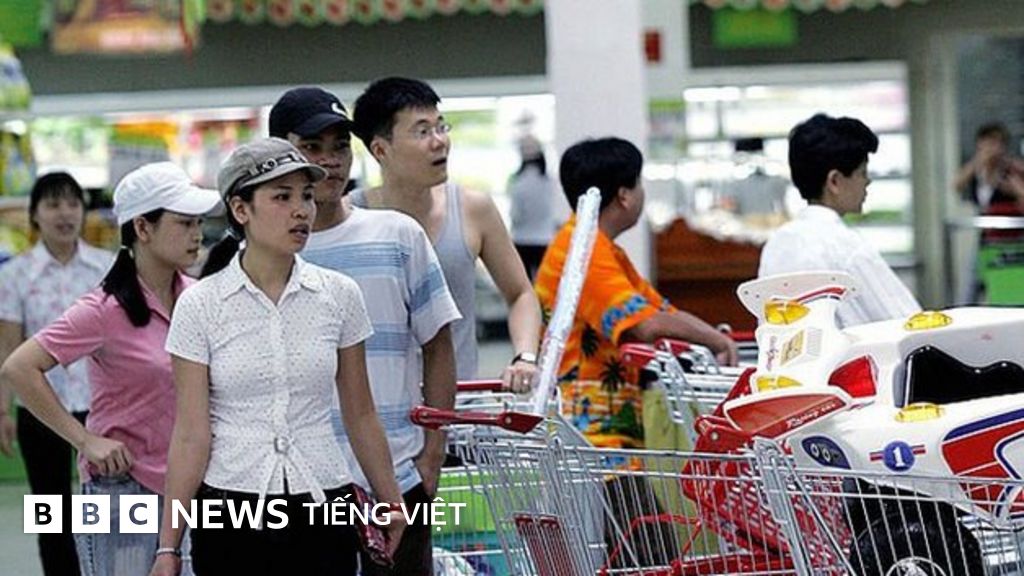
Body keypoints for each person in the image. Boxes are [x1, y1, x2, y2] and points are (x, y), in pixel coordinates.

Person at [150, 138, 405, 576]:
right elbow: (191, 433)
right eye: (282, 197)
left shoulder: (339, 295)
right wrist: (168, 547)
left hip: (324, 500)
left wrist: (392, 501)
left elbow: (361, 413)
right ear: (241, 209)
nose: (301, 210)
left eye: (306, 196)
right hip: (230, 507)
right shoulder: (200, 305)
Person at [268, 87, 460, 575]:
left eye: (340, 146)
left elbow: (439, 347)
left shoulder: (397, 234)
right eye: (312, 147)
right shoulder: (267, 255)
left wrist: (431, 456)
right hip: (302, 487)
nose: (330, 161)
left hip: (397, 480)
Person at [0, 162, 221, 576]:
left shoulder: (201, 300)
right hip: (121, 490)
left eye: (198, 223)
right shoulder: (104, 309)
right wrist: (84, 440)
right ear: (143, 228)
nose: (197, 234)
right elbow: (19, 366)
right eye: (184, 223)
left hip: (193, 486)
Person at [534, 137, 738, 449]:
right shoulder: (582, 252)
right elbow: (646, 326)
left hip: (607, 427)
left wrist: (711, 336)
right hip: (591, 438)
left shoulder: (600, 248)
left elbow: (660, 312)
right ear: (624, 196)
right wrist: (717, 341)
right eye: (639, 183)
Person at [350, 77, 541, 392]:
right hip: (380, 407)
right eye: (422, 131)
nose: (439, 141)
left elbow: (521, 293)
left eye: (441, 127)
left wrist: (525, 357)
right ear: (381, 149)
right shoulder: (351, 215)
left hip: (461, 404)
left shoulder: (472, 209)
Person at [0, 172, 112, 576]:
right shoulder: (13, 275)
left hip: (102, 406)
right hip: (41, 407)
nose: (64, 214)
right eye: (52, 205)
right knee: (52, 512)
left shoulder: (107, 268)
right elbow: (9, 348)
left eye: (72, 204)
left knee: (107, 510)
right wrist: (3, 411)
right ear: (35, 215)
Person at [758, 113, 921, 328]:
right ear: (834, 181)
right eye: (862, 173)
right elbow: (908, 322)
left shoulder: (776, 244)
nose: (868, 182)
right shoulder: (845, 245)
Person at [508, 135, 557, 282]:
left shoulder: (518, 183)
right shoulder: (549, 182)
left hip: (522, 240)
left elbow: (516, 215)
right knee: (544, 284)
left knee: (525, 284)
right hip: (545, 239)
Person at [954, 122, 1024, 214]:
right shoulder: (975, 169)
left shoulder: (1011, 169)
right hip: (985, 220)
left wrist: (1015, 191)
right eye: (989, 143)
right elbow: (957, 185)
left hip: (1008, 219)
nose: (993, 149)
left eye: (998, 144)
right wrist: (977, 162)